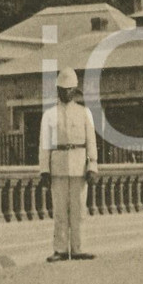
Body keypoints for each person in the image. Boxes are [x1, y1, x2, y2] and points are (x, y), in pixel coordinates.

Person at [39, 67, 99, 262]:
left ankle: (79, 247)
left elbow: (91, 142)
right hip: (58, 167)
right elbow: (44, 145)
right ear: (57, 90)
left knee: (79, 209)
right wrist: (44, 171)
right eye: (62, 89)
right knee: (59, 210)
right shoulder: (49, 114)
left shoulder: (84, 113)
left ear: (75, 90)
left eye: (69, 89)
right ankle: (61, 249)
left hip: (79, 165)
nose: (66, 92)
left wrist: (92, 167)